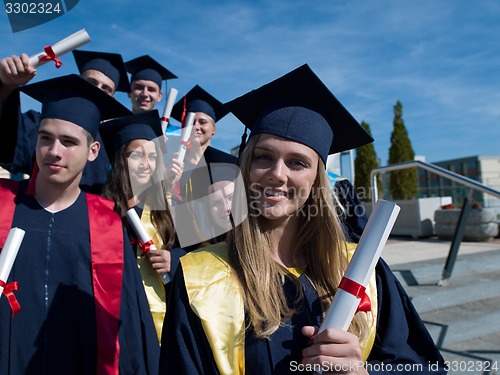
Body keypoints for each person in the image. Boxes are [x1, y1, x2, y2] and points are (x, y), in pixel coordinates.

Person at [159, 64, 447, 374]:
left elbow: (423, 367)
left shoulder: (361, 269)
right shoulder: (201, 278)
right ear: (246, 166)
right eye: (263, 157)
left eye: (297, 163)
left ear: (316, 182)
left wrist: (361, 373)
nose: (277, 174)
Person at [0, 74, 159, 374]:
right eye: (45, 138)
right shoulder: (3, 205)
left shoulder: (107, 223)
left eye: (69, 142)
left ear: (93, 151)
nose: (54, 151)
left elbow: (129, 331)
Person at [100, 109, 185, 342]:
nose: (146, 164)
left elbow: (199, 253)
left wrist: (174, 259)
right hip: (115, 315)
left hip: (161, 316)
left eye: (153, 156)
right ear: (122, 160)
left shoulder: (168, 208)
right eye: (136, 155)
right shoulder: (102, 209)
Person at [0, 50, 131, 193]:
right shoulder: (41, 125)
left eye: (106, 89)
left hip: (92, 213)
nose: (97, 90)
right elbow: (7, 142)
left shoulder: (112, 143)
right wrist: (6, 87)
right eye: (91, 82)